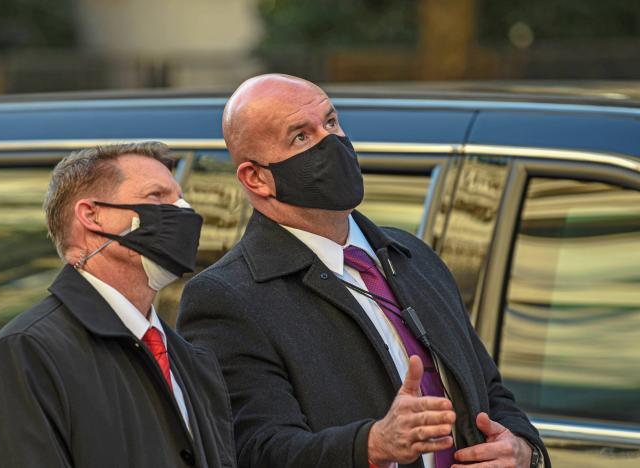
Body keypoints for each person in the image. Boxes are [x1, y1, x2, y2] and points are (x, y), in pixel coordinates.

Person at [177, 75, 548, 468]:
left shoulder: (412, 256)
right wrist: (370, 445)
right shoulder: (227, 297)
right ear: (256, 178)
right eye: (301, 137)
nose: (331, 142)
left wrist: (522, 449)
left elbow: (489, 387)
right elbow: (255, 450)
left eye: (331, 122)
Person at [0, 142, 235, 468]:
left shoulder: (188, 359)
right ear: (92, 215)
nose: (183, 213)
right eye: (157, 197)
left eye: (181, 199)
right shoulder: (25, 355)